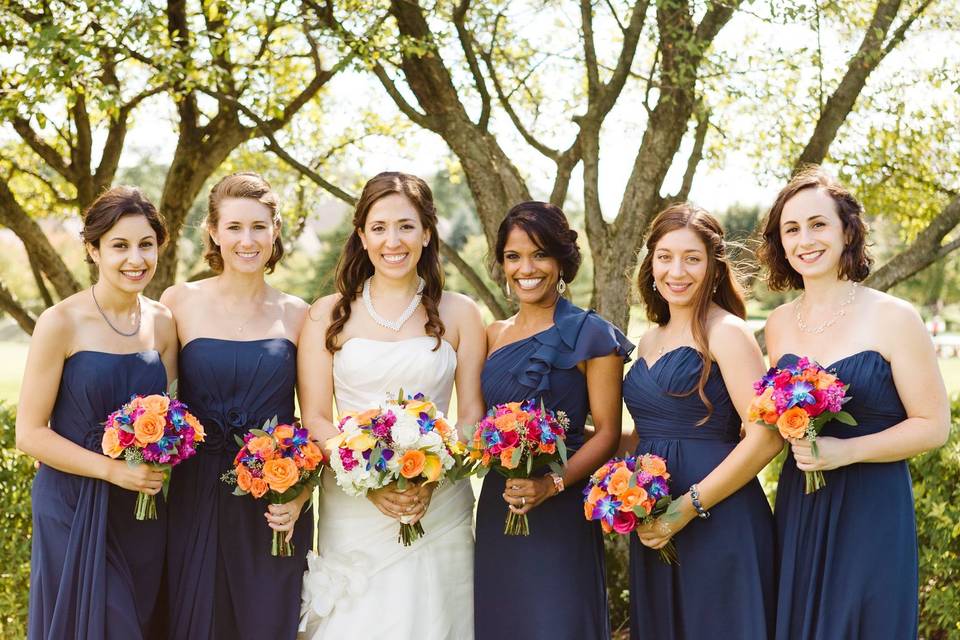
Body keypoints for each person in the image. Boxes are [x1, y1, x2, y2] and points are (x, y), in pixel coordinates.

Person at [759, 166, 950, 639]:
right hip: (801, 503)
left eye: (818, 224)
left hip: (872, 504)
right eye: (792, 228)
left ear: (847, 230)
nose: (806, 239)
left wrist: (847, 451)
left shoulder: (894, 317)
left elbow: (933, 425)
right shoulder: (778, 324)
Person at [298, 171, 485, 640]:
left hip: (439, 504)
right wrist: (368, 482)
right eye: (379, 228)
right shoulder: (327, 313)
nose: (392, 241)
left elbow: (470, 417)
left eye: (406, 226)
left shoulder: (461, 313)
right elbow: (317, 417)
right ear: (361, 236)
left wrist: (431, 475)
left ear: (426, 232)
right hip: (353, 503)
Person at [18, 186, 177, 639]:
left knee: (140, 621)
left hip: (141, 510)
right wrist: (111, 471)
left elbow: (171, 415)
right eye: (120, 246)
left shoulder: (162, 322)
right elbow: (29, 434)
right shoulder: (60, 322)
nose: (136, 259)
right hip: (72, 505)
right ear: (93, 249)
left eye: (146, 245)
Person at [475, 201, 632, 640]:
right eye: (513, 256)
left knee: (557, 622)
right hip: (499, 502)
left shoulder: (592, 334)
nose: (526, 268)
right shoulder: (494, 333)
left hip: (562, 507)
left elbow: (606, 432)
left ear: (562, 260)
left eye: (540, 253)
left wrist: (552, 484)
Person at [161, 172, 309, 639]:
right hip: (194, 495)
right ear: (213, 232)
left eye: (259, 227)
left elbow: (316, 420)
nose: (247, 240)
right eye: (234, 227)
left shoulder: (300, 313)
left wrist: (302, 494)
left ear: (276, 230)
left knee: (268, 620)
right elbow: (155, 397)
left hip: (273, 501)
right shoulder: (179, 301)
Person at [625, 203, 780, 639]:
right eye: (665, 256)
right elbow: (645, 434)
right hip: (655, 520)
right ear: (651, 262)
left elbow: (766, 439)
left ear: (713, 266)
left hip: (719, 516)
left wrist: (686, 507)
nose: (677, 271)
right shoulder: (648, 339)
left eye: (692, 258)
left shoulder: (726, 331)